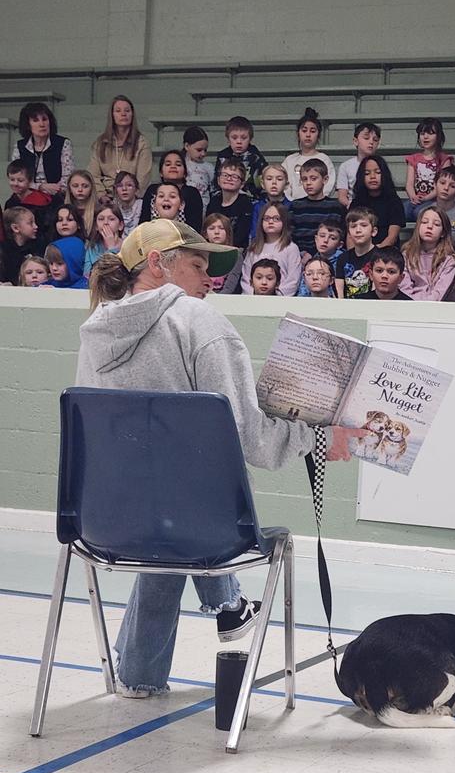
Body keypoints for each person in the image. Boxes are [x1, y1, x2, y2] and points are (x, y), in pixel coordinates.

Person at [78, 219, 365, 697]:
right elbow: (247, 439)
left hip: (103, 523)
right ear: (156, 264)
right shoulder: (201, 322)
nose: (211, 279)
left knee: (168, 505)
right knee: (186, 505)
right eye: (197, 265)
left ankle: (141, 675)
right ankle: (228, 601)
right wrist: (316, 438)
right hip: (199, 530)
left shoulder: (93, 331)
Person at [88, 95, 153, 201]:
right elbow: (93, 174)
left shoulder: (142, 143)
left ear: (132, 114)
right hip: (105, 199)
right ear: (112, 115)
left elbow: (143, 178)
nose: (123, 114)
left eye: (127, 110)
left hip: (133, 199)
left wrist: (130, 197)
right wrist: (101, 196)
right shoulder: (100, 143)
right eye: (118, 111)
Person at [13, 101, 73, 202]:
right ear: (28, 125)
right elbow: (16, 179)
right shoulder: (20, 146)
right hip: (28, 194)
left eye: (45, 119)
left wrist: (54, 189)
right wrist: (40, 187)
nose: (42, 124)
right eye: (35, 120)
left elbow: (68, 177)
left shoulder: (63, 143)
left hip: (56, 195)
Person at [289, 160, 346, 260]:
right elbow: (290, 235)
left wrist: (313, 253)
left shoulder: (335, 206)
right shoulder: (296, 206)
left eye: (313, 178)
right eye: (304, 179)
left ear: (325, 179)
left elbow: (339, 235)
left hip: (328, 255)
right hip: (298, 256)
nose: (308, 183)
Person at [241, 203, 301, 295]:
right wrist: (252, 295)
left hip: (281, 301)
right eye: (267, 218)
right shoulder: (254, 248)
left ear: (284, 222)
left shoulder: (291, 248)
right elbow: (246, 277)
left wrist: (277, 297)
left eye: (276, 218)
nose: (271, 222)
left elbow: (293, 280)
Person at [399, 206, 455, 301]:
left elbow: (440, 292)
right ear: (418, 227)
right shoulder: (406, 255)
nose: (429, 226)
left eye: (437, 224)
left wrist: (425, 306)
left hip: (436, 309)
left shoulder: (449, 260)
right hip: (409, 306)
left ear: (443, 233)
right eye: (425, 222)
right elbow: (404, 289)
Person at [139, 150, 204, 232]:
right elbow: (144, 220)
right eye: (168, 164)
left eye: (178, 164)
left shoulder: (192, 193)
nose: (173, 167)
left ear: (185, 173)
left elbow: (195, 226)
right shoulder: (152, 190)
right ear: (160, 172)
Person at [349, 155, 405, 248]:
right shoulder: (356, 203)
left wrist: (374, 253)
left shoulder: (394, 201)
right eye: (367, 173)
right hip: (361, 253)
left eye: (378, 172)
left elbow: (392, 237)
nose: (372, 177)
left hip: (386, 252)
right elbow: (350, 236)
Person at [403, 117, 453, 220]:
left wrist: (426, 197)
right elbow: (409, 183)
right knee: (401, 211)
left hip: (434, 200)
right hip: (415, 199)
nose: (425, 137)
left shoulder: (444, 159)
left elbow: (442, 185)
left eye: (430, 133)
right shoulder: (413, 158)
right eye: (422, 134)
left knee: (420, 213)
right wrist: (413, 196)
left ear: (438, 136)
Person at [282, 108, 336, 200]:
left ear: (318, 135)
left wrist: (318, 199)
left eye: (312, 131)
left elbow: (329, 184)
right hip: (294, 207)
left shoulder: (324, 159)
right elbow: (284, 185)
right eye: (304, 130)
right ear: (298, 133)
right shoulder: (289, 160)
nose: (308, 135)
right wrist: (292, 203)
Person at [213, 115, 266, 200]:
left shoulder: (256, 157)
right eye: (234, 138)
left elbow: (262, 183)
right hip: (225, 198)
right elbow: (216, 181)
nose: (239, 142)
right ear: (228, 138)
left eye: (244, 138)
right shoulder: (222, 157)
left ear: (250, 139)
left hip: (251, 199)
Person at [206, 160, 253, 248]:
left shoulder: (245, 203)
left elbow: (241, 235)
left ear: (242, 184)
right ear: (218, 180)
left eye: (234, 176)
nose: (229, 179)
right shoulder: (214, 201)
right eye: (225, 175)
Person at [334, 207, 378, 299]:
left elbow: (377, 290)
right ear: (349, 233)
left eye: (363, 225)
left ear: (373, 231)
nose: (358, 230)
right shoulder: (342, 258)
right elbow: (339, 292)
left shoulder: (380, 257)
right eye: (353, 226)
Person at [336, 122, 381, 207]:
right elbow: (342, 196)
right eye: (366, 138)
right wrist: (353, 207)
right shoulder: (346, 166)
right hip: (353, 209)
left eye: (375, 140)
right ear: (356, 141)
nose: (371, 142)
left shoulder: (381, 165)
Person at [295, 219, 344, 295]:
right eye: (322, 236)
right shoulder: (310, 262)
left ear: (340, 245)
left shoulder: (344, 263)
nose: (325, 240)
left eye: (332, 238)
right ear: (316, 239)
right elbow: (303, 289)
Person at [5, 159, 53, 233]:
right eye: (12, 179)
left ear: (30, 181)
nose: (15, 184)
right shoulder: (10, 203)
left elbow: (45, 228)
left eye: (20, 180)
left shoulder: (41, 202)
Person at [0, 207, 45, 284]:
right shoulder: (3, 251)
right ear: (15, 228)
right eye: (30, 223)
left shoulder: (38, 246)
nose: (36, 226)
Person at [203, 213, 243, 294]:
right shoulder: (201, 254)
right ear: (205, 234)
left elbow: (230, 286)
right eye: (212, 228)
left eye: (221, 228)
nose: (216, 232)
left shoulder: (235, 254)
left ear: (228, 233)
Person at [249, 163, 291, 240]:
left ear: (286, 184)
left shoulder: (292, 207)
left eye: (279, 179)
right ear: (262, 184)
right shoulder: (257, 207)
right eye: (269, 179)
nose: (274, 182)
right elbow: (254, 234)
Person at [84, 203, 125, 277]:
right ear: (96, 226)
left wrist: (112, 248)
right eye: (101, 219)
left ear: (120, 225)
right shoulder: (92, 247)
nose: (105, 222)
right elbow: (87, 276)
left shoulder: (127, 246)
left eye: (111, 219)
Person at [183, 125, 215, 213]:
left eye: (205, 150)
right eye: (199, 150)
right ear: (186, 146)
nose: (203, 153)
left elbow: (213, 189)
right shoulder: (181, 164)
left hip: (203, 208)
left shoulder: (209, 167)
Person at [66, 170, 98, 236]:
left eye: (85, 186)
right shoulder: (62, 211)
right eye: (75, 186)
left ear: (91, 188)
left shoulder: (99, 211)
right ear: (69, 189)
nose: (80, 190)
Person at [114, 171, 142, 235]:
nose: (124, 189)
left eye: (129, 185)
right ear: (115, 189)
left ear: (136, 189)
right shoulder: (113, 208)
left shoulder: (143, 206)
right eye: (120, 185)